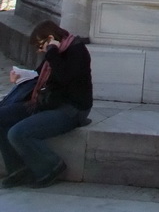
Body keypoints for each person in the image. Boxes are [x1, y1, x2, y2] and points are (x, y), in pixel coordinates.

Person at [0, 19, 92, 189]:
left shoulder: (76, 51)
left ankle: (51, 166)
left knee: (18, 133)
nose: (39, 50)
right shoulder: (54, 54)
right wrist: (20, 76)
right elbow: (37, 74)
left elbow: (65, 77)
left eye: (40, 45)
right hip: (45, 103)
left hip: (71, 109)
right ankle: (18, 170)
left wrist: (52, 52)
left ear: (50, 38)